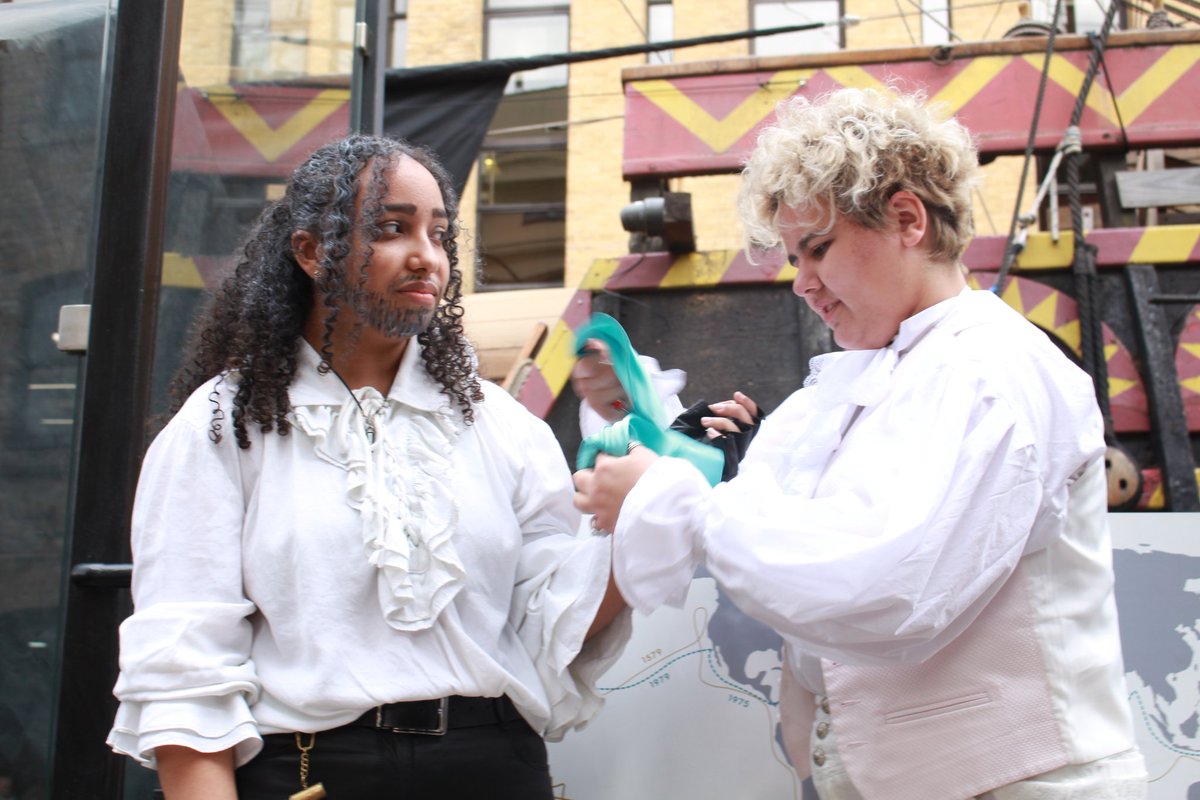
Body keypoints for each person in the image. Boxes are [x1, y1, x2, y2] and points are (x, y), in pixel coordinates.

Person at [573, 88, 1147, 799]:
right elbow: (761, 521)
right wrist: (661, 467)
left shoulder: (989, 368)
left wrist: (668, 498)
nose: (802, 283)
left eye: (818, 248)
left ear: (907, 218)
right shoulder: (859, 386)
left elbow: (892, 587)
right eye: (794, 257)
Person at [107, 135, 631, 799]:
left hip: (494, 768)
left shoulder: (501, 426)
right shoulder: (224, 424)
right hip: (308, 772)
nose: (426, 256)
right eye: (391, 229)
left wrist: (641, 518)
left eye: (440, 234)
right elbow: (183, 667)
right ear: (310, 251)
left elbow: (552, 626)